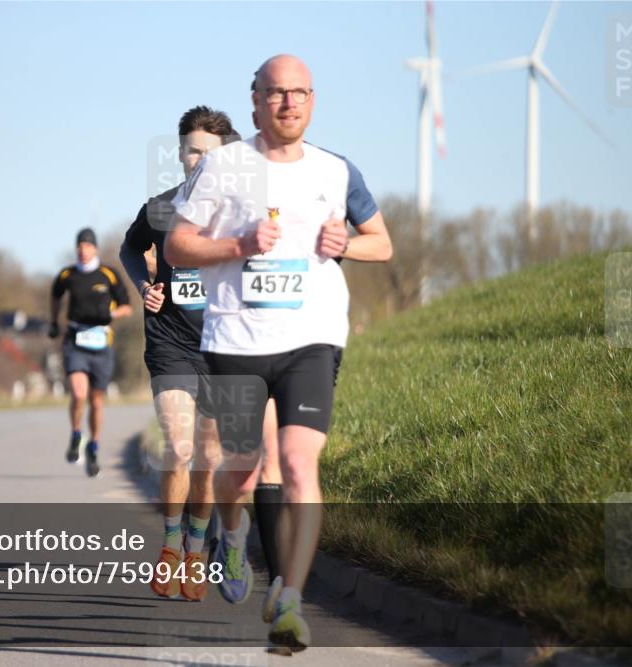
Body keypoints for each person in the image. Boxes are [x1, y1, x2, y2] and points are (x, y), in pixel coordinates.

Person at [165, 54, 393, 651]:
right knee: (238, 473)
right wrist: (237, 243)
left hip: (311, 338)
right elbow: (177, 246)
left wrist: (347, 242)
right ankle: (233, 539)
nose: (288, 103)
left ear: (312, 100)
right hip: (237, 341)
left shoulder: (337, 171)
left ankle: (290, 599)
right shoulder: (221, 167)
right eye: (275, 93)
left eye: (299, 93)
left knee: (296, 464)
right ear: (256, 102)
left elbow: (382, 243)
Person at [120, 106, 239, 602]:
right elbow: (129, 248)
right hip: (170, 342)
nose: (199, 159)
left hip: (220, 346)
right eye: (191, 149)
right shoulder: (161, 208)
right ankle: (171, 549)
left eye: (209, 152)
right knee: (181, 446)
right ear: (180, 153)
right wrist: (146, 283)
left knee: (210, 457)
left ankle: (196, 548)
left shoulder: (240, 213)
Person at [49, 229, 132, 477]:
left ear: (95, 249)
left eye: (87, 247)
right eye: (79, 247)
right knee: (78, 393)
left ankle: (94, 445)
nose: (83, 251)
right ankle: (76, 434)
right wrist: (54, 321)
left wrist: (112, 314)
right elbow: (55, 295)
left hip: (102, 342)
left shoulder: (108, 274)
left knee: (96, 401)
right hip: (75, 340)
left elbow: (127, 306)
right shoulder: (67, 274)